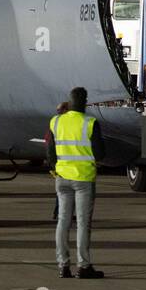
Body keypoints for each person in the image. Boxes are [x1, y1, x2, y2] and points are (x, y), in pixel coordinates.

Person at [46, 87, 105, 279]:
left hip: (62, 179)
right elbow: (100, 154)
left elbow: (50, 151)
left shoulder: (56, 121)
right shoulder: (90, 123)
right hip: (83, 180)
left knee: (63, 221)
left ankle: (63, 265)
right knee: (82, 223)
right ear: (85, 102)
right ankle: (83, 266)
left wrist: (55, 169)